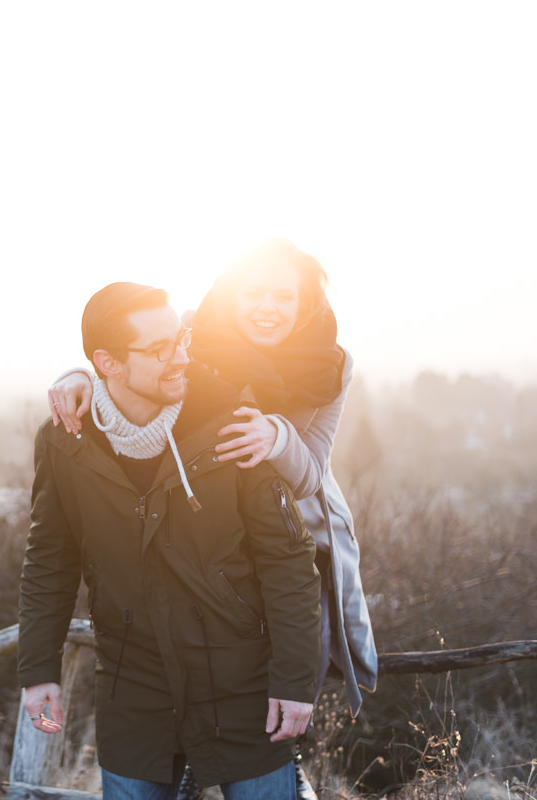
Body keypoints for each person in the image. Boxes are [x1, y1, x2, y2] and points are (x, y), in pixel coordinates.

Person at [48, 240, 378, 798]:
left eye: (284, 295)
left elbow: (310, 472)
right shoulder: (192, 334)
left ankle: (276, 764)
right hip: (204, 526)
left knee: (279, 665)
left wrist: (274, 434)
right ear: (230, 292)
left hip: (293, 527)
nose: (267, 306)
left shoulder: (331, 366)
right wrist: (78, 374)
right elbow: (132, 365)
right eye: (253, 291)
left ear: (305, 303)